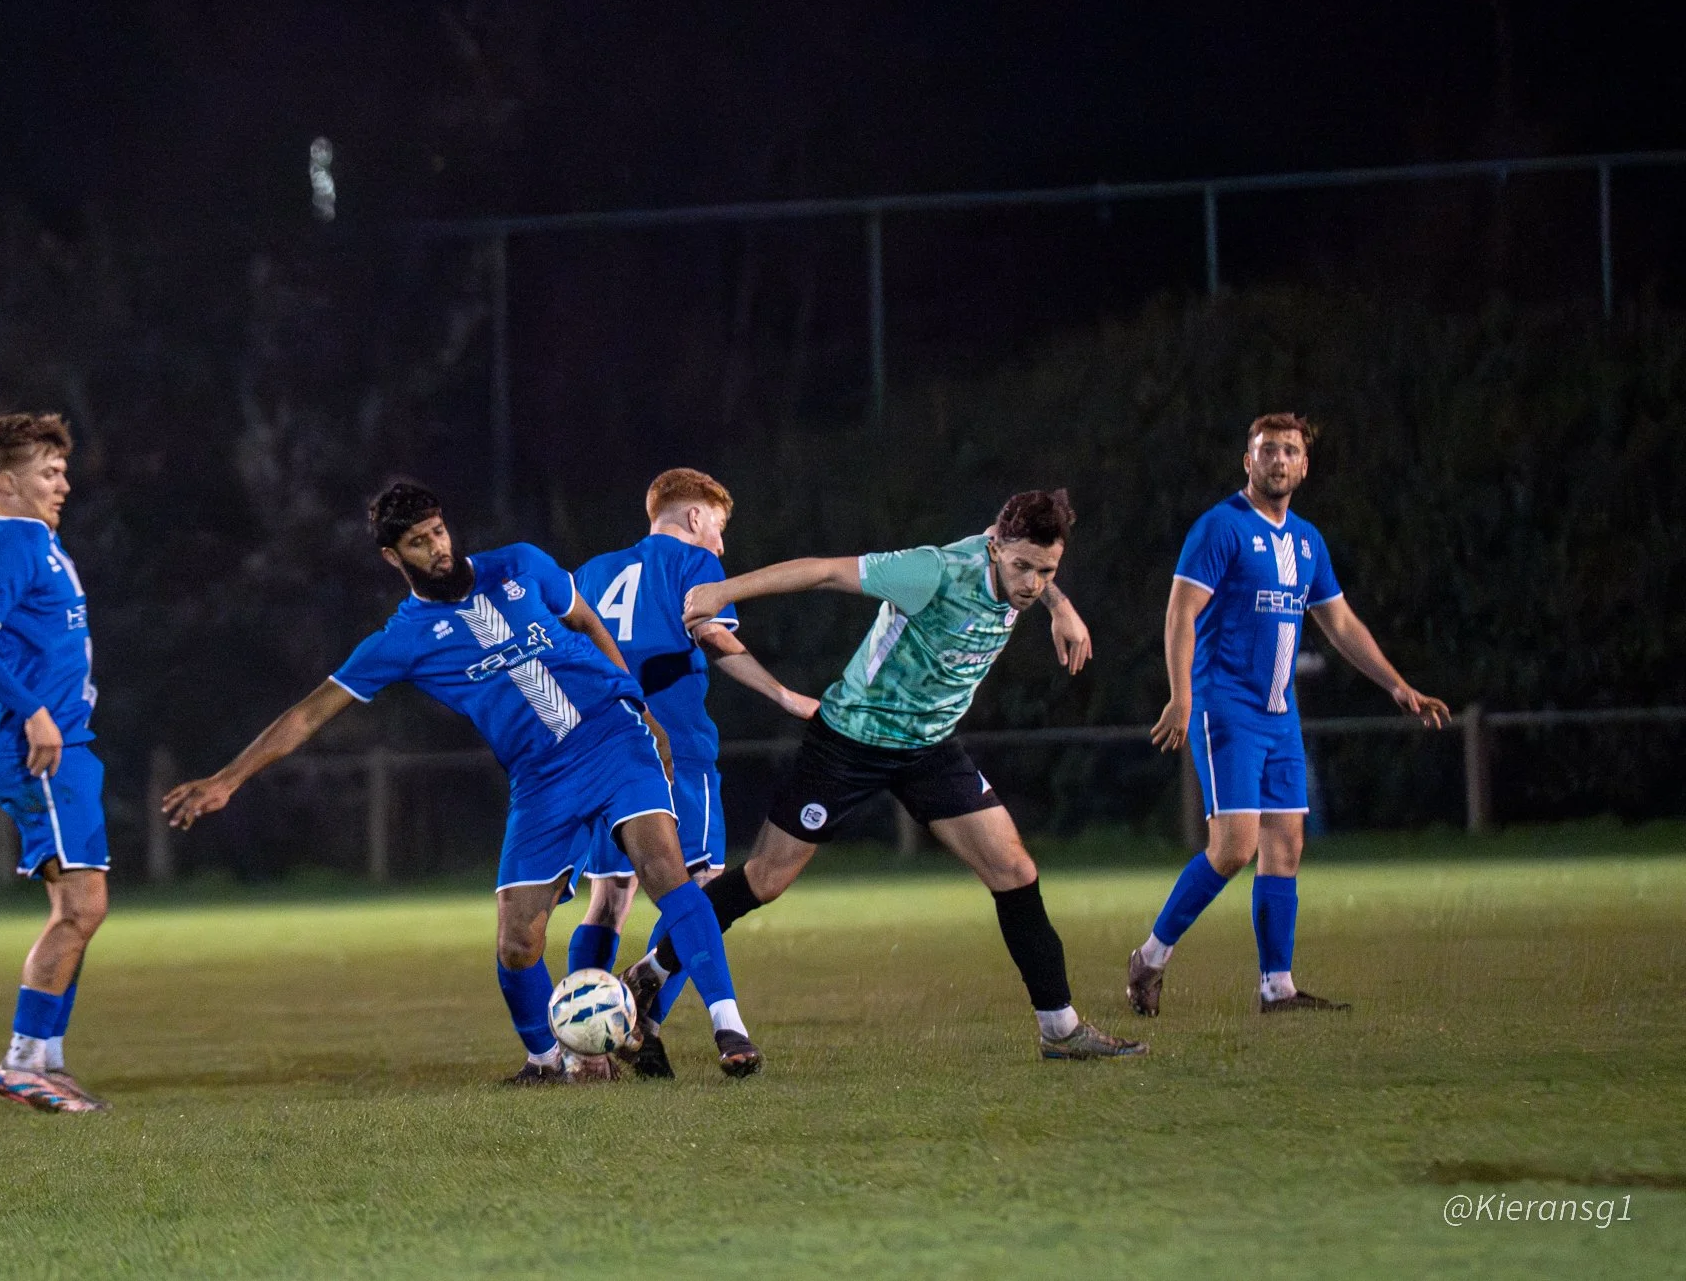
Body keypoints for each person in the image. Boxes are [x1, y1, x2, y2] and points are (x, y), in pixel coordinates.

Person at [161, 481, 764, 1081]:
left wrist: (638, 704)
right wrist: (228, 779)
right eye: (419, 543)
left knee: (666, 873)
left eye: (439, 532)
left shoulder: (520, 565)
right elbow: (309, 713)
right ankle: (546, 1064)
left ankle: (728, 1026)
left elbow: (585, 620)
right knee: (517, 942)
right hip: (541, 779)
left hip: (613, 737)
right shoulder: (403, 639)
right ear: (393, 557)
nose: (438, 548)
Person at [622, 489, 1148, 1060]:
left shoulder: (1025, 570)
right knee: (765, 879)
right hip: (850, 739)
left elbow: (1034, 568)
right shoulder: (932, 571)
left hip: (929, 747)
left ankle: (1060, 1029)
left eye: (1046, 572)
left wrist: (1060, 606)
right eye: (1023, 567)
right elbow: (823, 572)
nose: (1031, 583)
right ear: (995, 547)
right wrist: (725, 591)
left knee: (1015, 872)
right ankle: (651, 970)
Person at [1130, 413, 1450, 1017]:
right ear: (1247, 461)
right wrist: (1181, 695)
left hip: (1280, 714)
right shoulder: (1221, 526)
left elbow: (1340, 623)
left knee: (1285, 845)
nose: (1278, 459)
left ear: (1304, 467)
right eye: (1268, 449)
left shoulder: (1306, 541)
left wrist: (1397, 684)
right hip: (1226, 706)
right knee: (1234, 848)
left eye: (1289, 452)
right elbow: (1180, 612)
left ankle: (1277, 987)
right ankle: (1149, 957)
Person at [566, 470, 819, 1078]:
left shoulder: (592, 571)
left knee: (610, 897)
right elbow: (712, 635)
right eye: (720, 527)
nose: (722, 545)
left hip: (602, 751)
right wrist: (784, 696)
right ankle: (684, 1026)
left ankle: (586, 1049)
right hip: (675, 750)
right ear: (696, 517)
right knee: (699, 886)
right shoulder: (693, 563)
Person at [0, 412, 112, 1113]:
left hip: (66, 745)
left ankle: (47, 1058)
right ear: (7, 481)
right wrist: (29, 707)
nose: (63, 483)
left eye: (63, 471)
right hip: (41, 750)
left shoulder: (39, 541)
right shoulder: (11, 542)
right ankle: (20, 1062)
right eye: (48, 472)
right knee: (81, 906)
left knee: (81, 909)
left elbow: (1, 642)